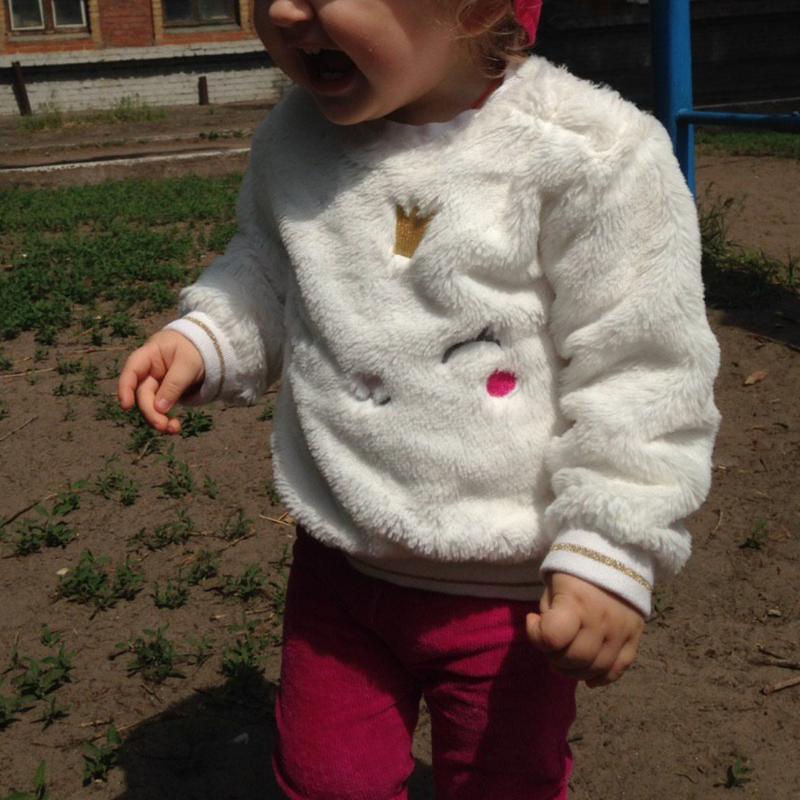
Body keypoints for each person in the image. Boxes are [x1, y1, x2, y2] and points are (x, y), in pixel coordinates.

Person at [117, 0, 721, 797]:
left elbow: (642, 366)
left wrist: (610, 547)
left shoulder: (589, 153)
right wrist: (210, 336)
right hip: (342, 557)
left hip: (508, 590)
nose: (285, 10)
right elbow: (270, 265)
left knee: (503, 782)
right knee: (325, 779)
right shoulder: (295, 138)